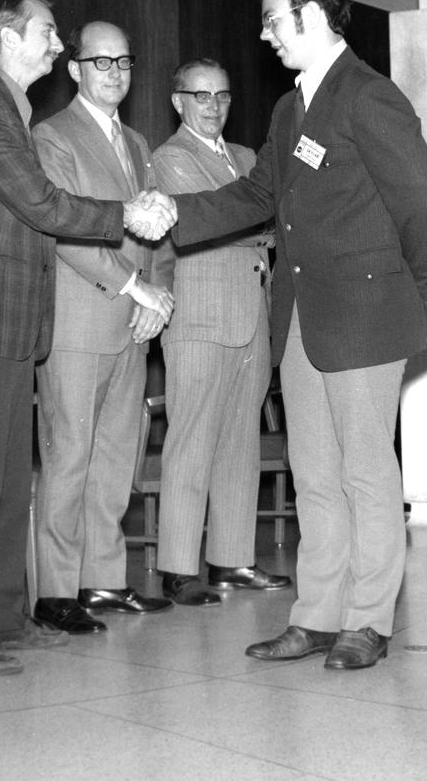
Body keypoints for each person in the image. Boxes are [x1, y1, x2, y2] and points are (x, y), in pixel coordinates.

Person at [162, 0, 427, 669]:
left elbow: (424, 201)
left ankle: (369, 619)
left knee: (365, 473)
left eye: (273, 19)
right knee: (314, 470)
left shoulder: (368, 97)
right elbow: (258, 196)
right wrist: (173, 211)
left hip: (366, 315)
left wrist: (414, 290)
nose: (264, 35)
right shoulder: (291, 109)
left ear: (312, 18)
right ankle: (319, 614)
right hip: (300, 320)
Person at [0, 0, 173, 673]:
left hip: (12, 320)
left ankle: (3, 619)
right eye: (47, 33)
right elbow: (40, 204)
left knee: (8, 480)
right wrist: (122, 212)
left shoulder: (12, 110)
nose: (58, 46)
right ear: (6, 37)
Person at [30, 22, 175, 635]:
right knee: (69, 458)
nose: (114, 73)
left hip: (131, 322)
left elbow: (158, 228)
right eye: (101, 62)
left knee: (118, 456)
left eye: (124, 61)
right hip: (79, 322)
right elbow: (65, 230)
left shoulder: (139, 143)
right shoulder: (51, 137)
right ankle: (57, 593)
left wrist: (158, 293)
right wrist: (132, 285)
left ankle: (105, 580)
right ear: (75, 69)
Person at [150, 59, 289, 608]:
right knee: (191, 440)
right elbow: (200, 224)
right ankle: (178, 567)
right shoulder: (168, 160)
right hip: (200, 318)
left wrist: (258, 223)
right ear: (178, 101)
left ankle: (233, 559)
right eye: (201, 96)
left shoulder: (250, 158)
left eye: (222, 97)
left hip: (252, 313)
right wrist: (262, 224)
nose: (213, 107)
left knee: (240, 443)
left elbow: (259, 218)